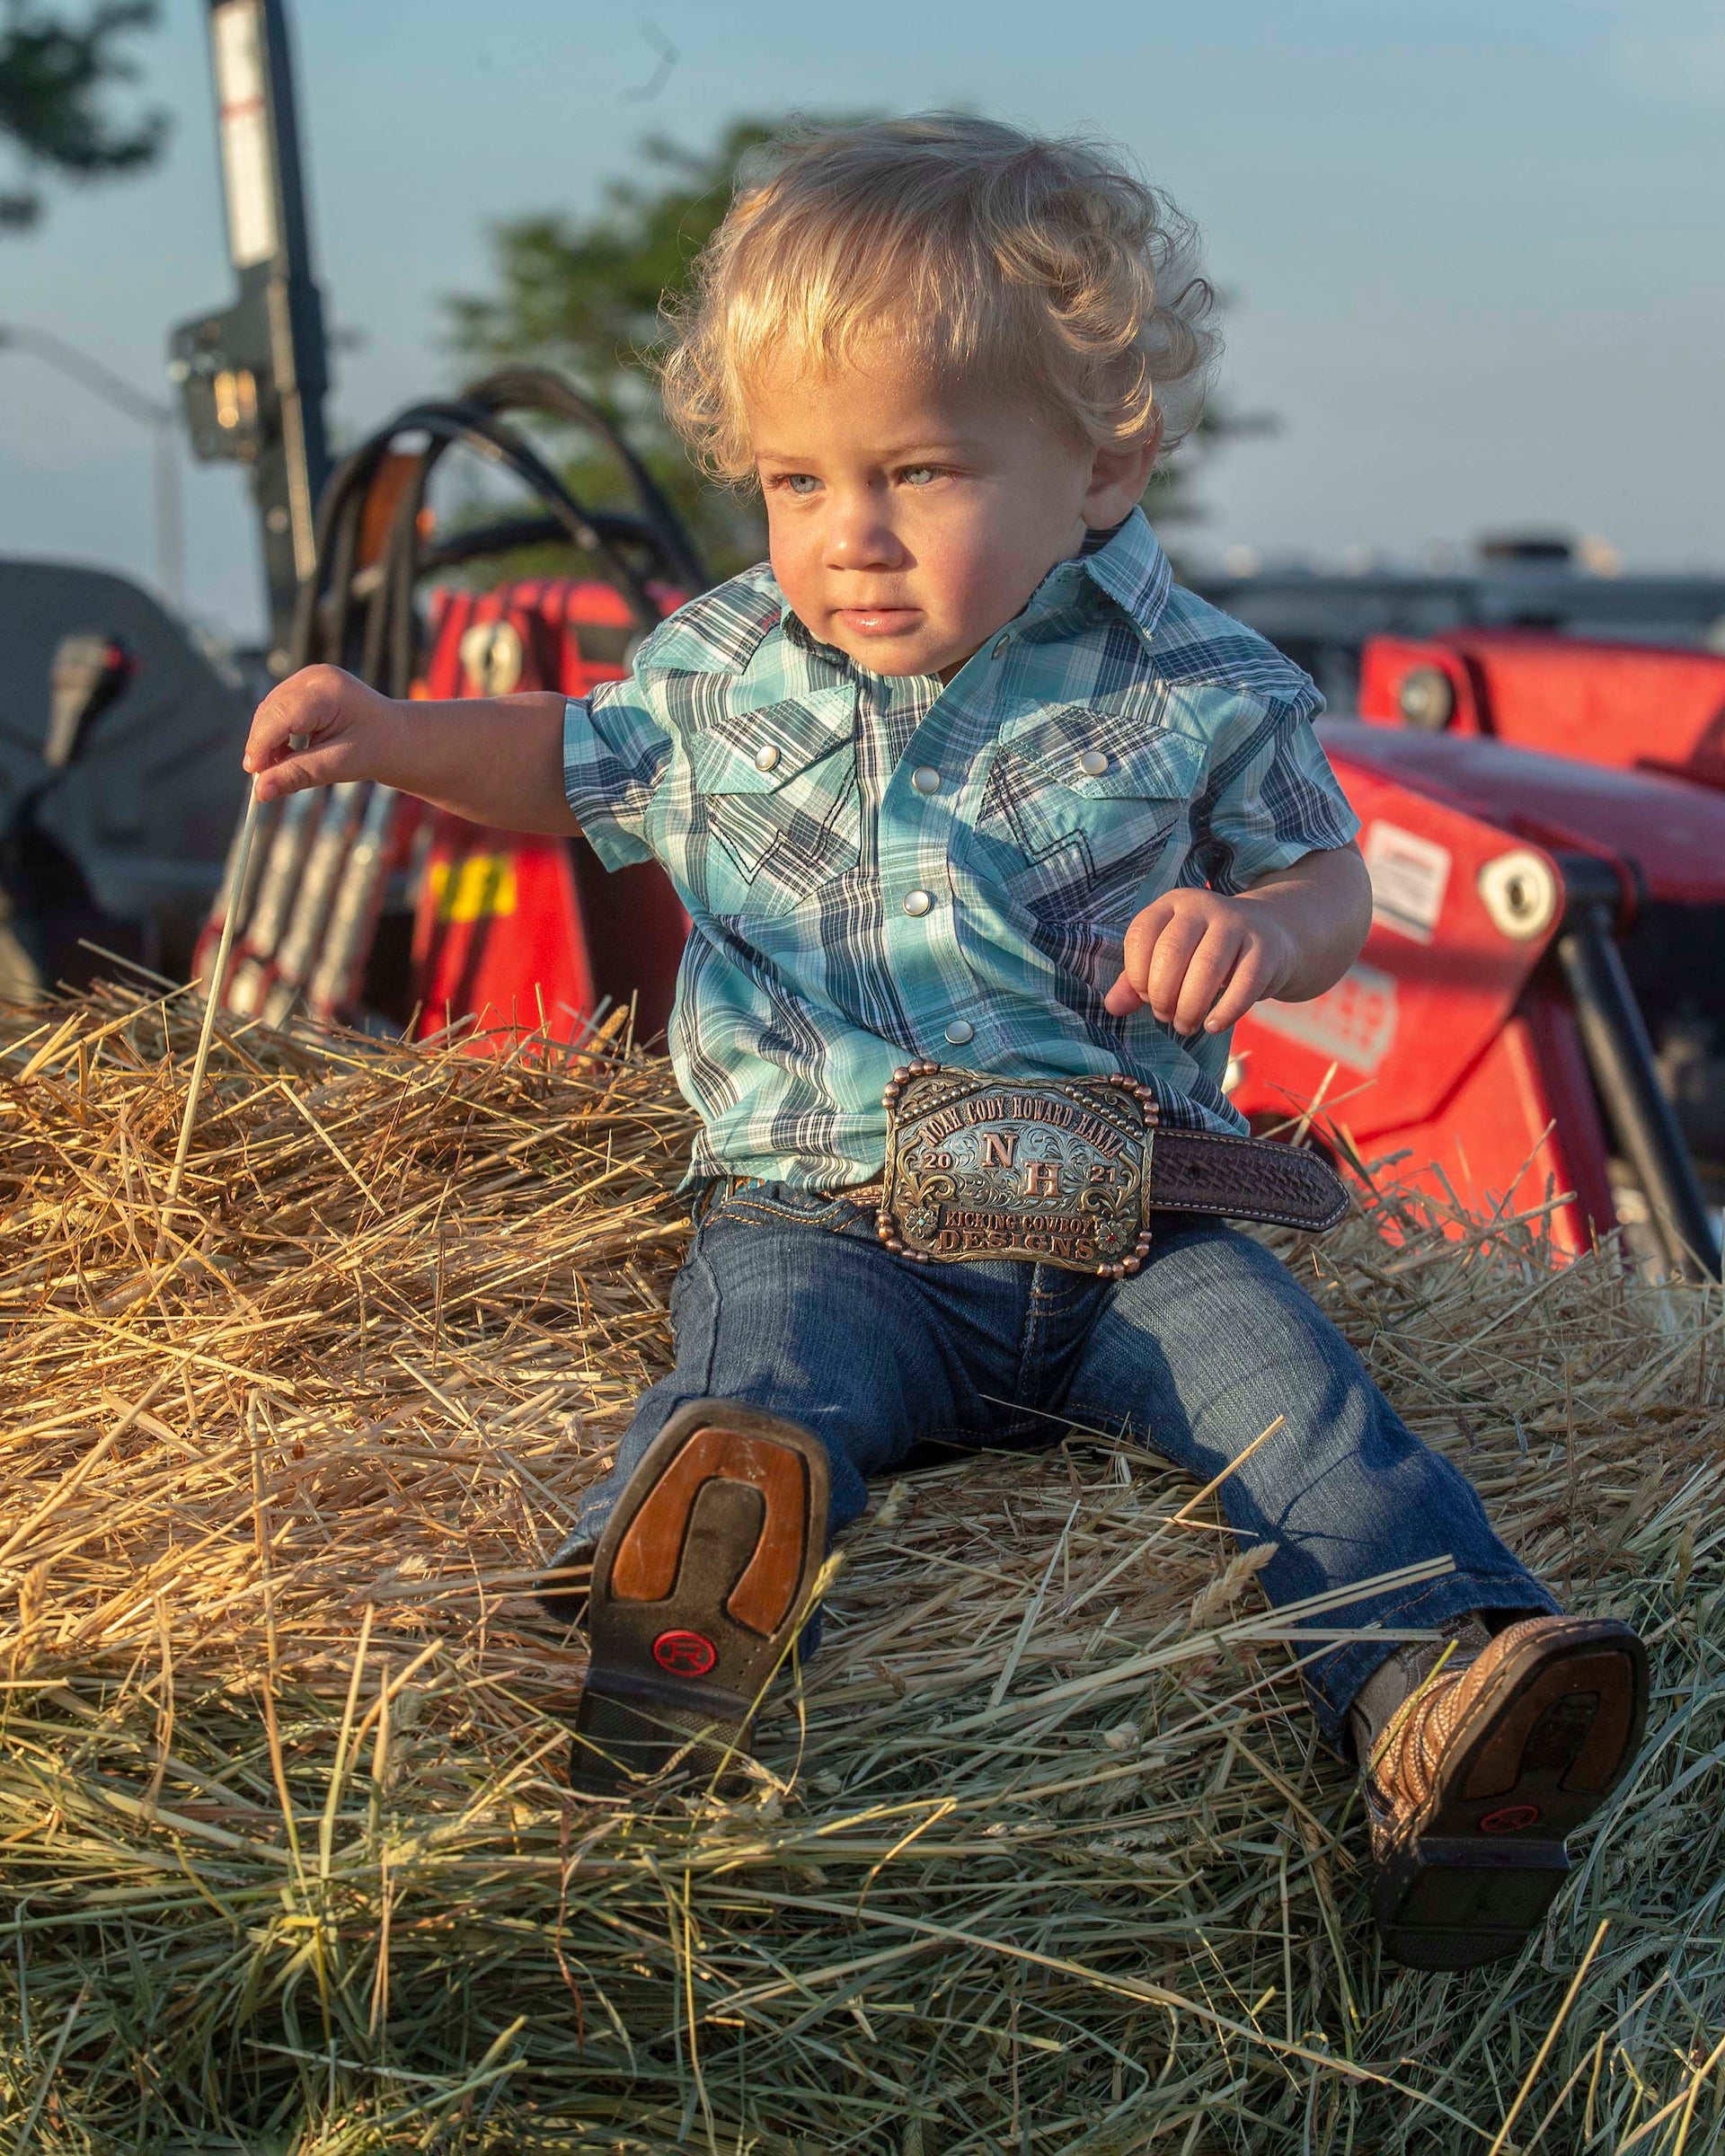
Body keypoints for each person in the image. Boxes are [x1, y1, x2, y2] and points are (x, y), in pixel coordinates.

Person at [243, 115, 1646, 1972]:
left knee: (1304, 1418)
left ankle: (1445, 1714)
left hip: (1134, 1234)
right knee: (766, 1371)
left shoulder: (1198, 684)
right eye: (798, 483)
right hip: (832, 1213)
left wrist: (1254, 931)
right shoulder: (726, 668)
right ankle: (688, 1615)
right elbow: (572, 760)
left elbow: (1330, 888)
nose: (854, 537)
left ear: (1102, 461)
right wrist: (395, 730)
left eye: (915, 471)